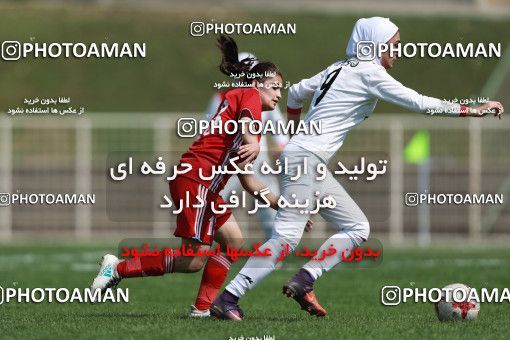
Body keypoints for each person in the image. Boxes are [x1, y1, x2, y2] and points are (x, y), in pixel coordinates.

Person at [212, 17, 504, 320]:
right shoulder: (370, 72)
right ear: (375, 44)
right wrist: (473, 109)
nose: (398, 51)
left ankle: (304, 280)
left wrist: (296, 134)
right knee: (285, 238)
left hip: (306, 160)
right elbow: (419, 102)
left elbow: (297, 91)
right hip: (305, 160)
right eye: (394, 45)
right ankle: (229, 299)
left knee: (357, 227)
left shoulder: (339, 67)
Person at [90, 35, 294, 315]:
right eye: (275, 88)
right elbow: (247, 124)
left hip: (203, 185)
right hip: (196, 179)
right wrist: (254, 142)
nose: (280, 95)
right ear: (257, 83)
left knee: (233, 241)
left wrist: (285, 207)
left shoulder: (249, 113)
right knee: (194, 260)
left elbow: (249, 181)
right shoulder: (248, 97)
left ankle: (202, 309)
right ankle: (118, 268)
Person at [203, 52, 289, 241]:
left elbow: (277, 124)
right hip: (229, 160)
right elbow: (210, 128)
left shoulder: (264, 97)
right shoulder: (225, 97)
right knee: (215, 200)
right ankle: (207, 239)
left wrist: (281, 143)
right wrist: (252, 144)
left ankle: (275, 245)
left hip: (256, 160)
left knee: (267, 203)